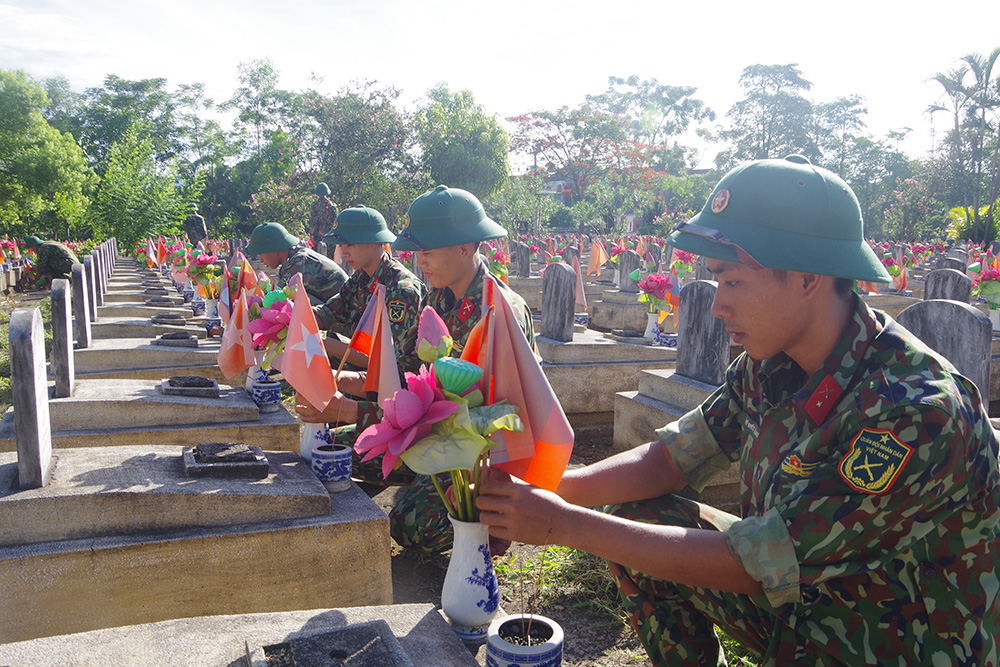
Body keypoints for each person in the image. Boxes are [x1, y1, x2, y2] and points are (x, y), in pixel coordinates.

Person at [477, 156, 1000, 666]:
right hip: (805, 610)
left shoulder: (913, 411)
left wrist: (562, 525)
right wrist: (546, 492)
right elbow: (671, 460)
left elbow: (761, 562)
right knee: (642, 515)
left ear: (806, 278)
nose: (717, 303)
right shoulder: (770, 363)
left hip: (894, 641)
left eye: (732, 281)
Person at [296, 185, 533, 554]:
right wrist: (350, 387)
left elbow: (480, 418)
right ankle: (427, 480)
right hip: (438, 433)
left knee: (408, 525)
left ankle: (493, 522)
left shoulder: (498, 312)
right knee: (335, 449)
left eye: (426, 251)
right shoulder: (438, 296)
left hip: (480, 452)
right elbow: (412, 378)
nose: (418, 261)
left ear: (465, 247)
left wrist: (351, 409)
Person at [313, 205, 424, 367]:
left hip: (394, 382)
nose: (343, 253)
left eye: (349, 245)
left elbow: (388, 359)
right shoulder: (360, 278)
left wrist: (321, 341)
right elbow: (329, 312)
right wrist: (296, 318)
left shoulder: (401, 290)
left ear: (374, 242)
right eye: (341, 246)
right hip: (365, 372)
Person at [245, 221, 347, 306]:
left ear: (274, 250)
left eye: (261, 253)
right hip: (332, 309)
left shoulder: (299, 263)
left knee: (290, 301)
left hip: (343, 318)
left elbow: (278, 299)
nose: (261, 259)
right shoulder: (291, 261)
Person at [310, 182, 338, 253]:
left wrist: (311, 234)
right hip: (330, 235)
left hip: (318, 234)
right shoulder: (332, 206)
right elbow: (335, 222)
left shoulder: (314, 205)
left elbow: (313, 222)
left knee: (317, 255)